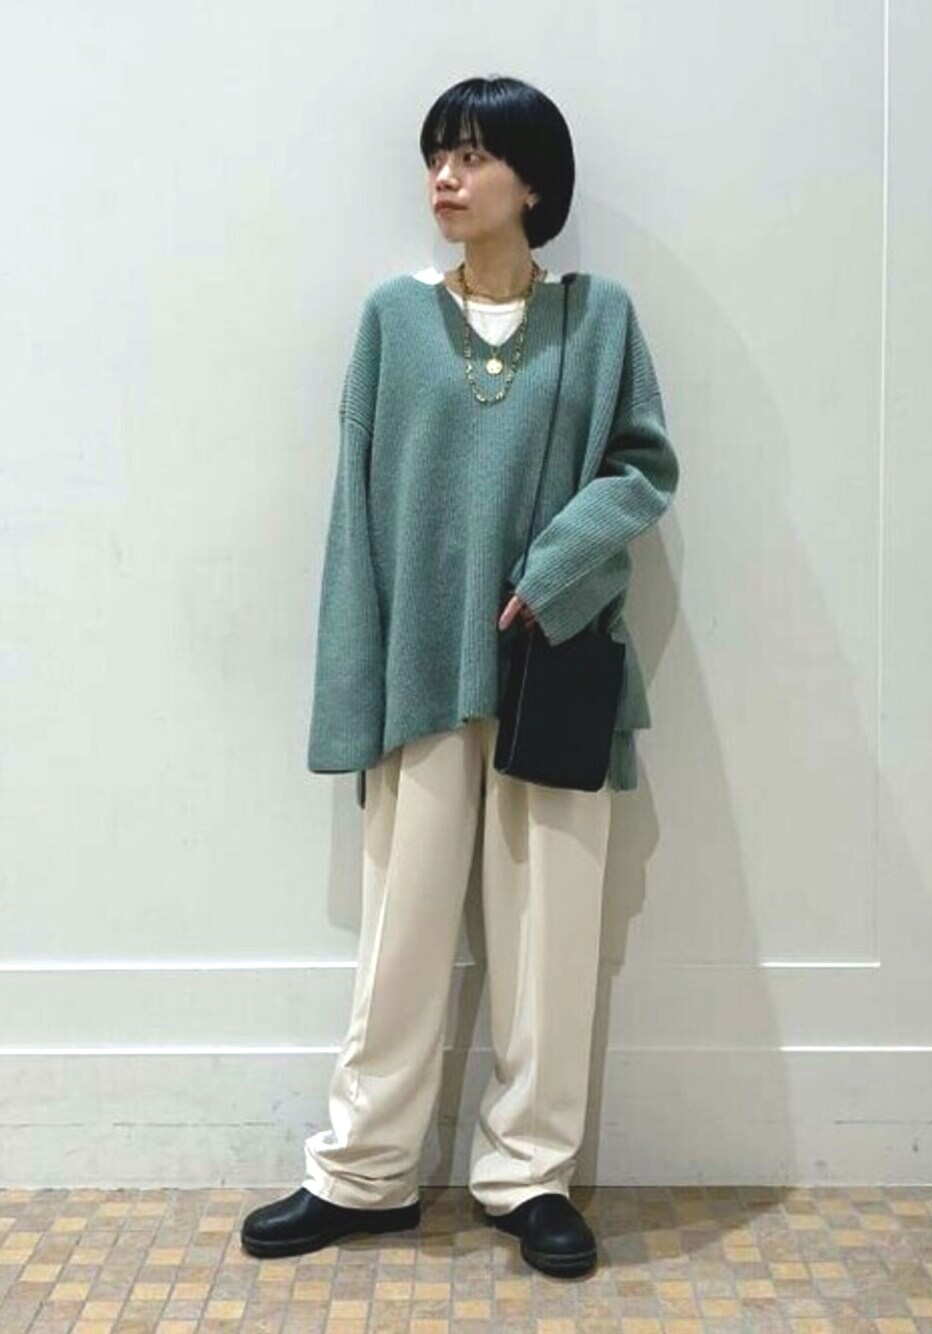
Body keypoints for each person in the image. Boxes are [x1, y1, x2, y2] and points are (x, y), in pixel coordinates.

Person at [241, 74, 679, 1279]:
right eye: (438, 153)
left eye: (475, 155)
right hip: (425, 671)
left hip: (556, 668)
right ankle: (363, 1171)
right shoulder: (393, 319)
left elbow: (641, 467)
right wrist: (355, 687)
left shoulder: (599, 319)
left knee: (550, 940)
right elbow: (355, 515)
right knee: (401, 936)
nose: (446, 175)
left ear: (533, 184)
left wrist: (554, 569)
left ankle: (528, 1174)